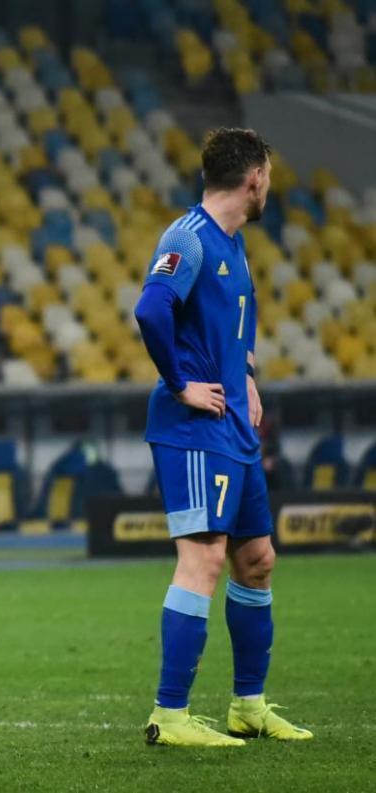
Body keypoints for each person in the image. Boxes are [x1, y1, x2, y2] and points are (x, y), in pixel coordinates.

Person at [133, 128, 312, 747]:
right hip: (194, 429)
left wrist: (248, 375)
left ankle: (248, 706)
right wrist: (180, 384)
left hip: (234, 425)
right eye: (269, 176)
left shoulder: (233, 244)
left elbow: (235, 322)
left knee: (257, 560)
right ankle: (170, 715)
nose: (270, 187)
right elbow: (151, 309)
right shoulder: (188, 236)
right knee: (203, 559)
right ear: (254, 177)